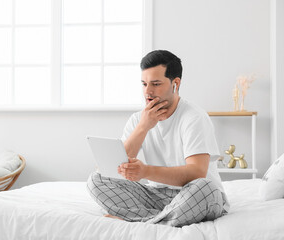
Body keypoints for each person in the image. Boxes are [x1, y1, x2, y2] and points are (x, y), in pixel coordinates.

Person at [87, 50, 229, 227]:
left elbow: (196, 173)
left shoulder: (194, 117)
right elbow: (114, 169)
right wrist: (144, 126)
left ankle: (140, 219)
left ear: (175, 83)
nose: (148, 91)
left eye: (155, 84)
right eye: (144, 84)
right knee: (96, 180)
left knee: (206, 189)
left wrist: (145, 171)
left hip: (193, 194)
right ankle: (162, 219)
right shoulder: (138, 119)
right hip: (157, 196)